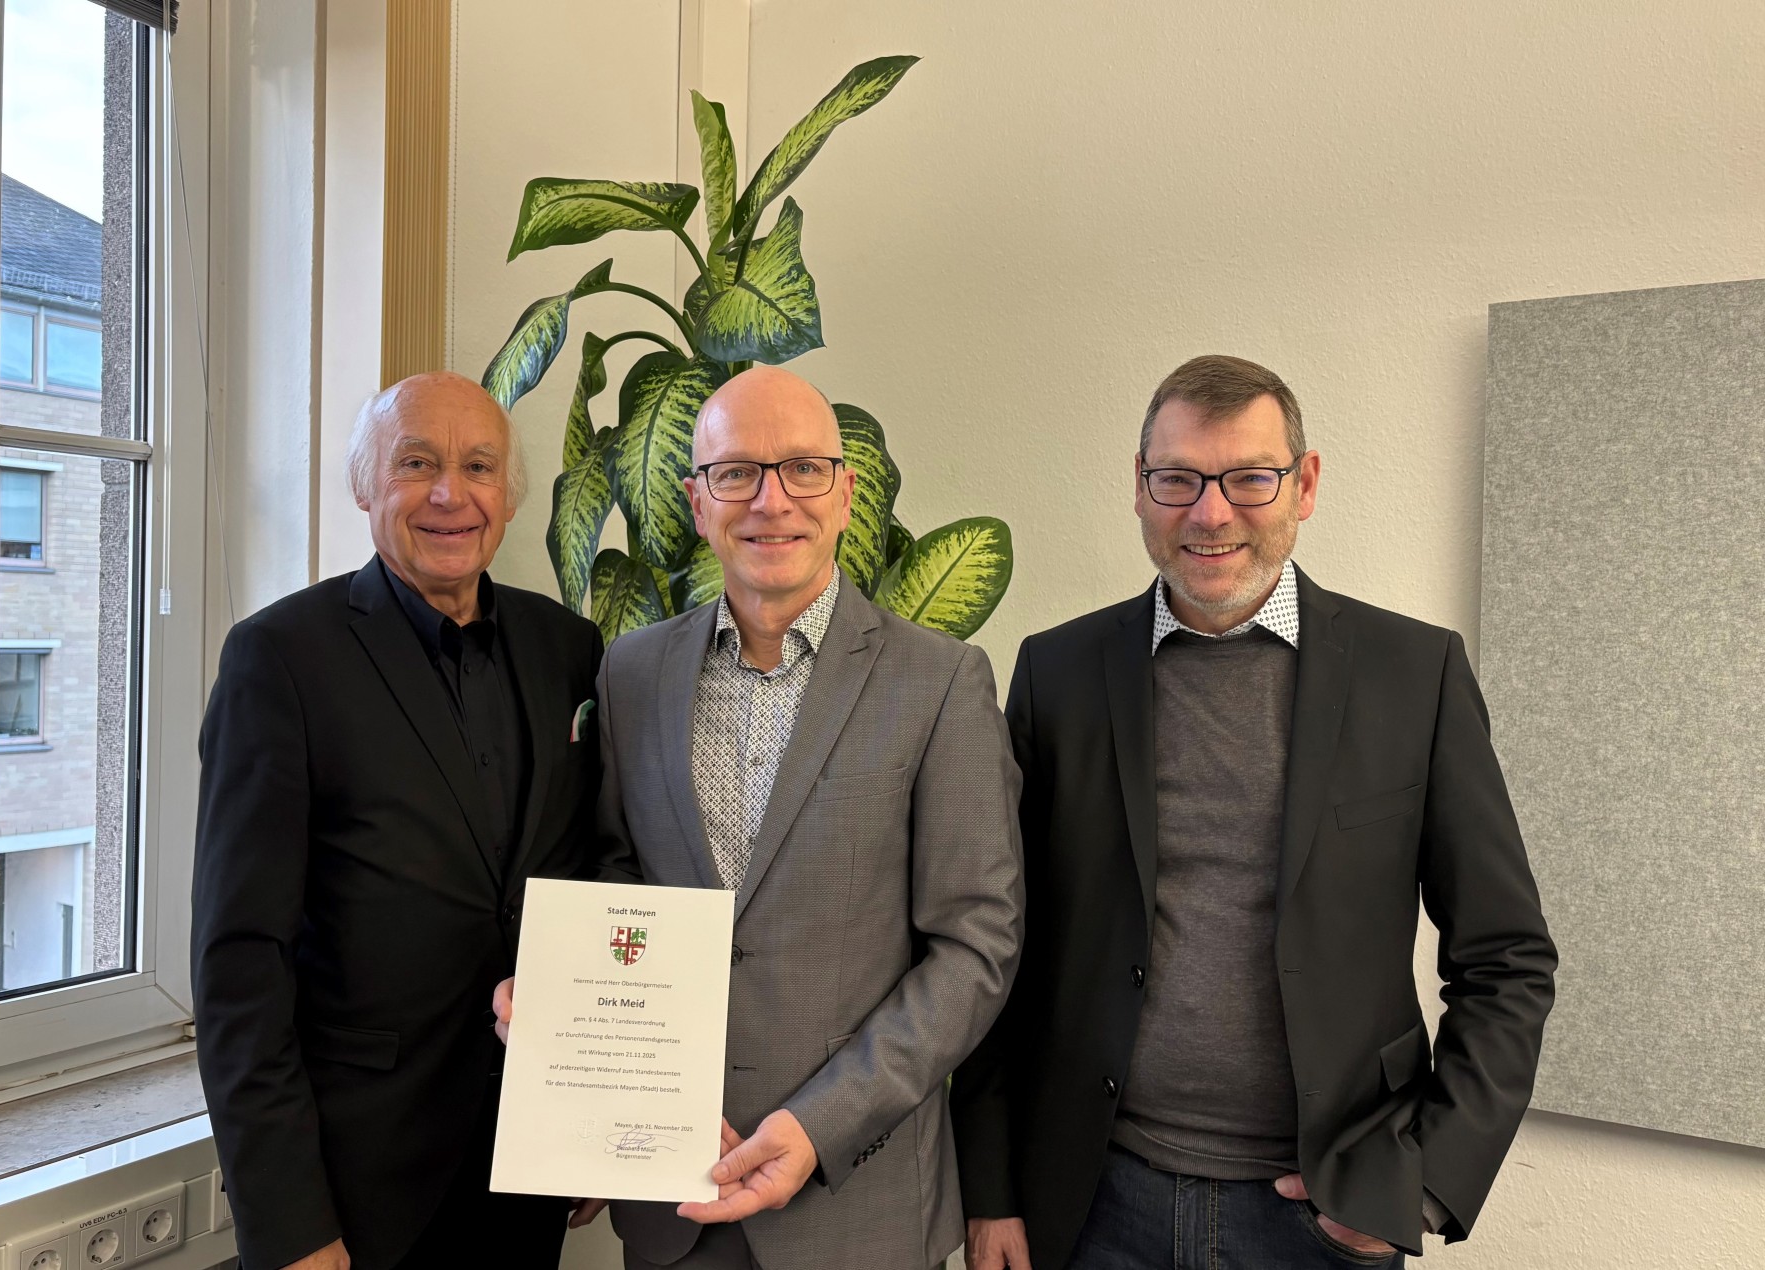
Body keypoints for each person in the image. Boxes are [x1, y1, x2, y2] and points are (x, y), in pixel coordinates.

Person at [952, 354, 1556, 1270]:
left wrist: (1424, 1179)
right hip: (1092, 1201)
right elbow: (999, 946)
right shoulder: (1057, 674)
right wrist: (992, 1189)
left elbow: (1507, 959)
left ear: (1303, 485)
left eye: (1248, 478)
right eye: (1178, 479)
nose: (1210, 511)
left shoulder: (1414, 674)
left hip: (1320, 1220)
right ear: (1141, 489)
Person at [556, 365, 1023, 1270]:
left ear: (847, 495)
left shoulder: (941, 683)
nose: (772, 501)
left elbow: (977, 946)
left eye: (804, 469)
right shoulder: (631, 673)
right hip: (674, 1203)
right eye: (736, 473)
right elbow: (620, 881)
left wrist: (818, 1126)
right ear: (696, 502)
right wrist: (604, 1078)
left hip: (858, 1211)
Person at [191, 372, 604, 1270]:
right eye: (416, 463)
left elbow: (581, 881)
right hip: (356, 1190)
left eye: (478, 466)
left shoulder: (568, 649)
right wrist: (290, 1224)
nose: (451, 494)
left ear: (508, 494)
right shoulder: (280, 659)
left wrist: (592, 1116)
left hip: (523, 1167)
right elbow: (238, 963)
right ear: (366, 486)